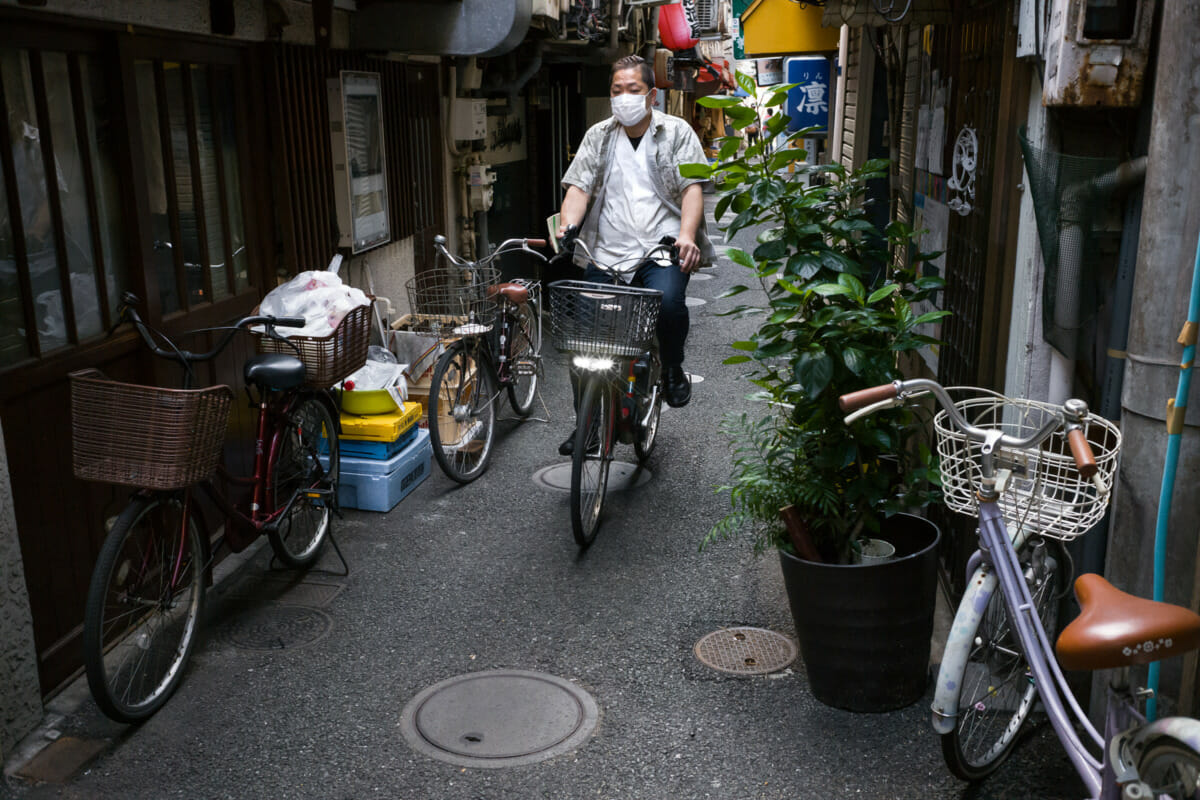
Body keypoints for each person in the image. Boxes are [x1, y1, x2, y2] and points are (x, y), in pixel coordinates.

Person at [554, 54, 714, 454]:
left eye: (633, 90)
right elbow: (578, 187)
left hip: (661, 248)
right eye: (617, 91)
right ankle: (587, 425)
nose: (624, 98)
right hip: (607, 250)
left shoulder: (677, 132)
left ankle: (673, 366)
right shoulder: (599, 136)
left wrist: (687, 236)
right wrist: (567, 227)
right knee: (585, 342)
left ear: (651, 94)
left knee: (672, 304)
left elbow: (693, 187)